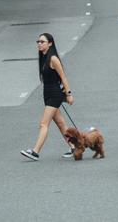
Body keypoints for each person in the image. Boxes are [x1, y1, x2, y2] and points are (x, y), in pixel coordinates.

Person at [21, 33, 76, 161]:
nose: (39, 44)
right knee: (61, 124)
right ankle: (74, 146)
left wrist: (69, 94)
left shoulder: (53, 59)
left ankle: (35, 152)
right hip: (48, 94)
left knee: (43, 124)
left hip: (55, 95)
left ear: (50, 43)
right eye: (38, 41)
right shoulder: (44, 58)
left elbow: (63, 77)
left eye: (42, 42)